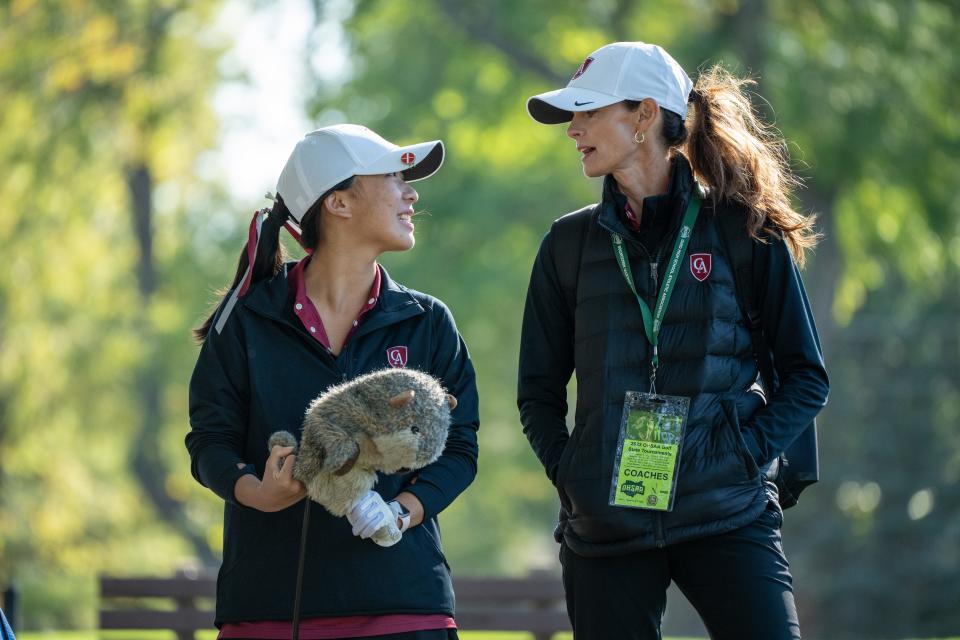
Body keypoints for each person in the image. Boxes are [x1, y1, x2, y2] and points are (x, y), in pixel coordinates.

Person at [518, 41, 829, 640]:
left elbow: (806, 377)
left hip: (726, 511)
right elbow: (537, 391)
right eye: (571, 116)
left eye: (586, 111)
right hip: (605, 528)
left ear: (643, 116)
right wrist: (575, 474)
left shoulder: (743, 229)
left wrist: (739, 455)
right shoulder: (566, 246)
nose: (572, 129)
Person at [186, 124, 478, 640]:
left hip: (404, 607)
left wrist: (402, 512)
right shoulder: (247, 319)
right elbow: (210, 438)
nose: (411, 192)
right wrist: (256, 491)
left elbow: (459, 446)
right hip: (266, 610)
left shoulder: (428, 321)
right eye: (392, 176)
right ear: (338, 203)